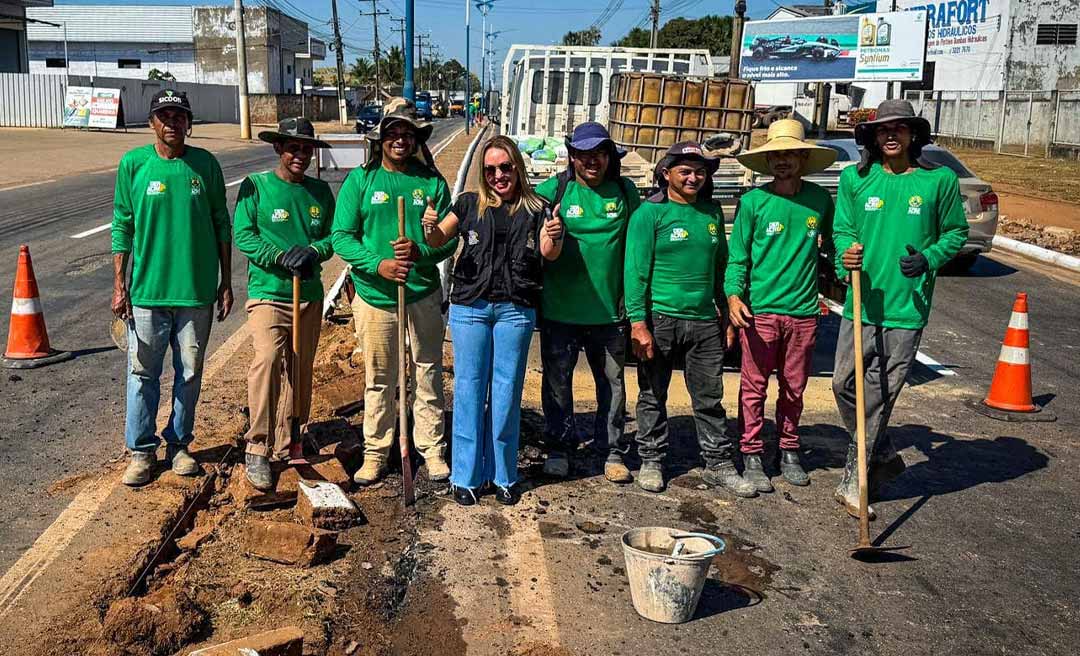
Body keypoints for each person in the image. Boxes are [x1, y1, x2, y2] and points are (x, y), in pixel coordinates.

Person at [832, 100, 968, 518]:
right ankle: (884, 452)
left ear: (913, 135)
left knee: (881, 396)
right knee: (843, 385)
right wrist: (846, 256)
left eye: (901, 129)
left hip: (907, 307)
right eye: (883, 130)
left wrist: (928, 258)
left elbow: (956, 231)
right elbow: (843, 230)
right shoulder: (857, 178)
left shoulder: (938, 180)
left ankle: (855, 483)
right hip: (862, 300)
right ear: (873, 137)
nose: (892, 136)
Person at [423, 135, 556, 506]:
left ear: (517, 167)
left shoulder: (538, 208)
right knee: (468, 390)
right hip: (471, 308)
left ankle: (503, 475)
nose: (499, 175)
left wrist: (554, 237)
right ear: (483, 174)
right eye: (491, 169)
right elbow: (436, 241)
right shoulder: (467, 204)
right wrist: (428, 226)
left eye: (506, 167)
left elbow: (550, 252)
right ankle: (465, 476)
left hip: (515, 309)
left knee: (506, 392)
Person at [331, 97, 457, 486]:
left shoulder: (431, 182)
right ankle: (376, 451)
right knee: (380, 376)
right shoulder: (362, 180)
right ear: (380, 139)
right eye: (393, 133)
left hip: (420, 292)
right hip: (374, 296)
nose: (400, 139)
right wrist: (379, 264)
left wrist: (422, 250)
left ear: (417, 139)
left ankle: (431, 448)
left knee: (427, 371)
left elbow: (448, 241)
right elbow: (342, 238)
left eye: (408, 133)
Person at [111, 90, 232, 486]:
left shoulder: (205, 165)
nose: (172, 123)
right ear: (151, 123)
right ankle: (141, 451)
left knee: (190, 372)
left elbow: (221, 224)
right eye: (164, 116)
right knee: (142, 373)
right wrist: (119, 285)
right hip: (147, 293)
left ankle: (179, 445)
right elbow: (122, 225)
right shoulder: (134, 165)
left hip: (196, 292)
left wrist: (226, 282)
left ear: (188, 122)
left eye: (179, 116)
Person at [624, 142, 752, 497]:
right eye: (685, 171)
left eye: (700, 171)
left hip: (704, 322)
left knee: (710, 396)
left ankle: (718, 464)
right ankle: (651, 459)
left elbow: (721, 268)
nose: (694, 177)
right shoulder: (649, 215)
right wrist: (638, 323)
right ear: (666, 174)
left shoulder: (711, 214)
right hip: (660, 318)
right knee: (653, 394)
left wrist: (726, 314)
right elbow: (635, 273)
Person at [726, 119, 837, 493]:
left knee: (794, 388)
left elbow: (835, 248)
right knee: (753, 387)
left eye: (789, 153)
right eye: (775, 155)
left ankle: (789, 449)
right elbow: (737, 256)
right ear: (767, 161)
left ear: (802, 158)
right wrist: (733, 296)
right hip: (761, 313)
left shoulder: (819, 200)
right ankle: (752, 453)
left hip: (804, 312)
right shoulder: (754, 201)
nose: (782, 161)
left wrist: (851, 260)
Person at [233, 118, 336, 491]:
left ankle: (291, 436)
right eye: (293, 147)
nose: (300, 155)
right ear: (279, 148)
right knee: (268, 360)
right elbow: (243, 234)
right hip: (269, 293)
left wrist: (312, 250)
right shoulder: (256, 187)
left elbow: (333, 237)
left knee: (300, 367)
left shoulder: (321, 192)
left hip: (307, 294)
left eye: (306, 149)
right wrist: (279, 257)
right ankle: (257, 447)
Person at [535, 122, 641, 484]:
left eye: (599, 153)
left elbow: (642, 245)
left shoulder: (626, 192)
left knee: (612, 385)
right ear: (572, 157)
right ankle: (559, 447)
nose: (591, 161)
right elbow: (516, 211)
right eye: (583, 154)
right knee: (557, 383)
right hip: (559, 312)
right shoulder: (555, 190)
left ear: (610, 156)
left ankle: (611, 451)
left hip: (610, 314)